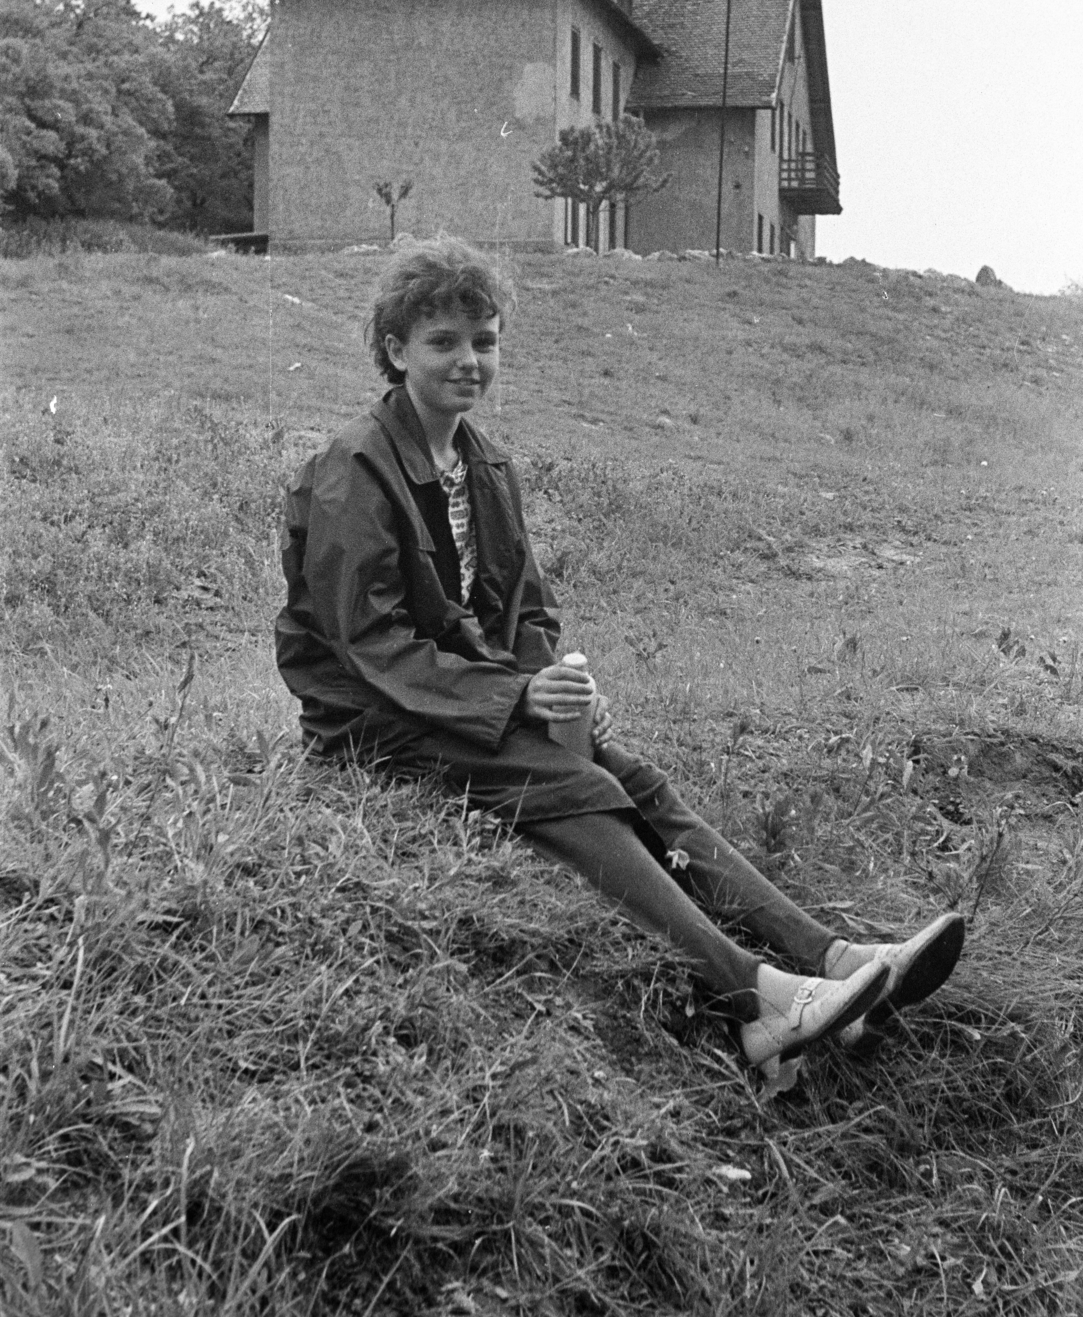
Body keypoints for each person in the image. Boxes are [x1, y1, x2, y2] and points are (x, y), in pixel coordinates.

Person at [275, 238, 964, 1086]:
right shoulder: (353, 468)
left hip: (466, 695)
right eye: (443, 342)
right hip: (374, 714)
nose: (468, 361)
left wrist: (551, 682)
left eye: (484, 341)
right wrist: (516, 695)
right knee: (580, 787)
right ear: (394, 351)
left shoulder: (483, 464)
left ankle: (833, 953)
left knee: (636, 778)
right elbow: (366, 640)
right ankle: (756, 1000)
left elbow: (523, 604)